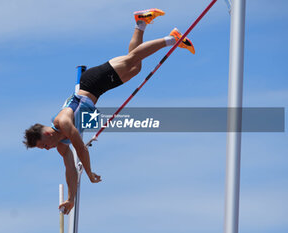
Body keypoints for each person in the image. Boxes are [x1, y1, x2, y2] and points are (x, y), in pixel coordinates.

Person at [23, 8, 195, 214]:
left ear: (47, 134)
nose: (46, 149)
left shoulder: (63, 122)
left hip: (92, 82)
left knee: (131, 60)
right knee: (135, 67)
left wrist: (89, 173)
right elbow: (69, 170)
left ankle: (172, 38)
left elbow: (81, 149)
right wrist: (70, 199)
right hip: (97, 91)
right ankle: (141, 22)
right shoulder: (61, 145)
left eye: (43, 145)